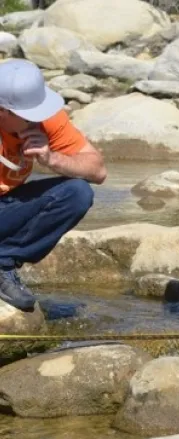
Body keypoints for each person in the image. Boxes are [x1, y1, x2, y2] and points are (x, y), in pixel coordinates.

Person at [0, 59, 106, 312]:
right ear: (2, 111)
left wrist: (52, 158)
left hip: (6, 208)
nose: (38, 120)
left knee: (77, 192)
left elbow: (98, 171)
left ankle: (3, 262)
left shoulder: (48, 121)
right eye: (29, 115)